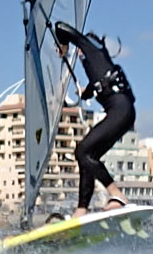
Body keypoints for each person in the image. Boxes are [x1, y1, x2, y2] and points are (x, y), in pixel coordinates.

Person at [53, 20, 135, 218]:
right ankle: (81, 210)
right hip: (123, 114)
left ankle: (117, 195)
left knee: (82, 150)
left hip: (120, 111)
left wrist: (64, 45)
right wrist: (83, 93)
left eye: (80, 51)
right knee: (87, 156)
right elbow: (90, 91)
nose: (80, 55)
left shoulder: (94, 49)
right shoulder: (97, 70)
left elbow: (60, 27)